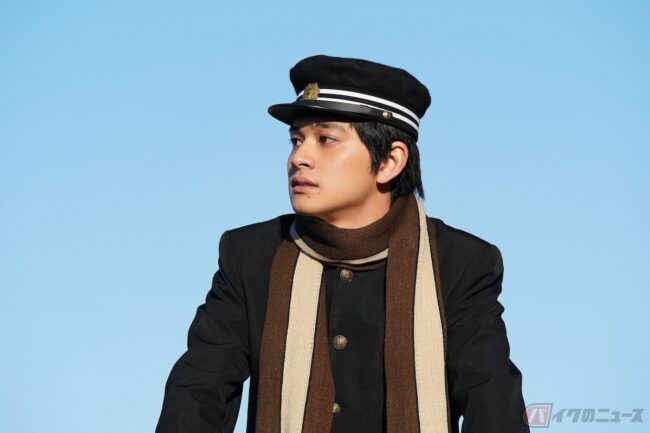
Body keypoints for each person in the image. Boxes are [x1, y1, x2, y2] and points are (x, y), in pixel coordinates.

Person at [156, 55, 529, 433]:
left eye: (326, 140)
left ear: (390, 161)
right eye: (296, 140)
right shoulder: (251, 255)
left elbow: (493, 407)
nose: (299, 158)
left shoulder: (460, 264)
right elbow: (197, 394)